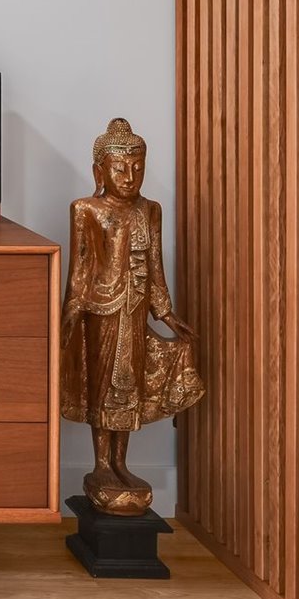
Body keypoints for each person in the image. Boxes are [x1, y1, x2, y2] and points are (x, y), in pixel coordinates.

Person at [60, 117, 200, 515]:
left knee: (131, 384)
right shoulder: (86, 209)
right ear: (99, 171)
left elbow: (155, 267)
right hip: (101, 309)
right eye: (120, 167)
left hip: (137, 310)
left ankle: (121, 462)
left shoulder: (150, 210)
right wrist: (69, 315)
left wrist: (168, 313)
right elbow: (81, 268)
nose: (129, 175)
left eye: (137, 167)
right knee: (103, 385)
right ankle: (101, 464)